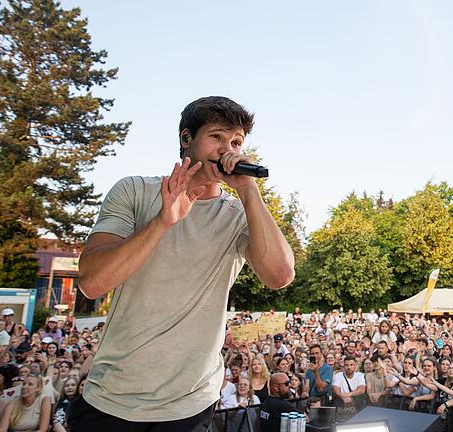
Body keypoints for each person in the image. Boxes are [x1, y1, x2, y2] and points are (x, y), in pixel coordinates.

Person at [72, 96, 295, 430]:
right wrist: (163, 221)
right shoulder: (134, 192)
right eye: (217, 137)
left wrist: (249, 191)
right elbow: (92, 282)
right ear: (186, 138)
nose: (227, 150)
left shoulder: (237, 215)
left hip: (191, 406)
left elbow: (280, 275)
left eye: (236, 142)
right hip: (113, 401)